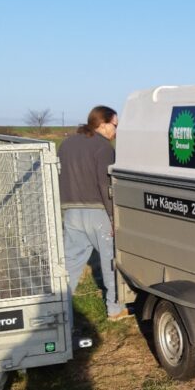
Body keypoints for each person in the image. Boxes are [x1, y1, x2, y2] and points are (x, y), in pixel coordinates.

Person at [58, 105, 127, 320]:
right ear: (102, 123)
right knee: (110, 261)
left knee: (71, 265)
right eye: (115, 125)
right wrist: (114, 217)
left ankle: (61, 313)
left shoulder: (66, 144)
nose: (116, 131)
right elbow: (105, 185)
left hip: (71, 212)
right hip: (97, 213)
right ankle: (114, 309)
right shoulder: (104, 148)